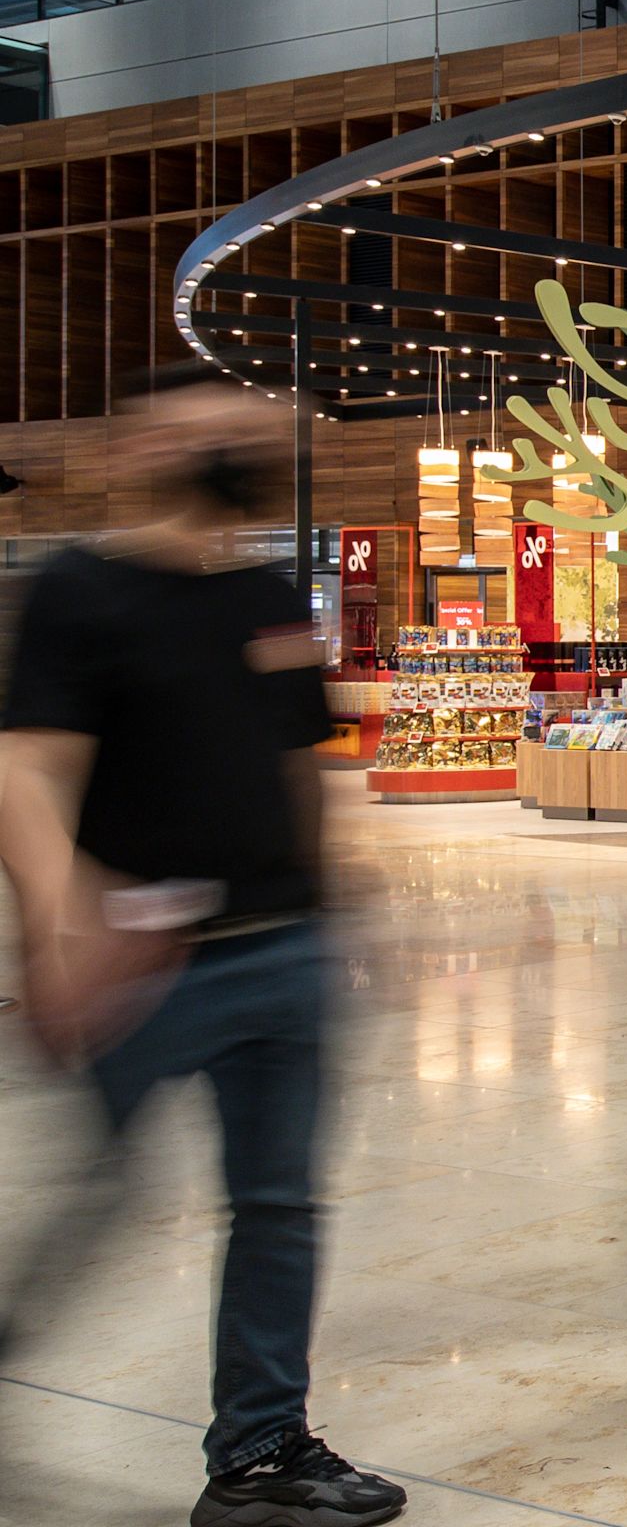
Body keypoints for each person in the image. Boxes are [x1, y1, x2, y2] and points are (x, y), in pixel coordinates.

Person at [0, 363, 408, 1525]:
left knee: (277, 1206)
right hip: (141, 957)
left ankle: (261, 1452)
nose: (232, 443)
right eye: (204, 429)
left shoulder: (270, 595)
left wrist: (341, 907)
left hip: (283, 947)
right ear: (135, 450)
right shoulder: (80, 591)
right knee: (96, 1197)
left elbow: (298, 767)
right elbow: (26, 768)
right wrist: (58, 916)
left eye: (245, 427)